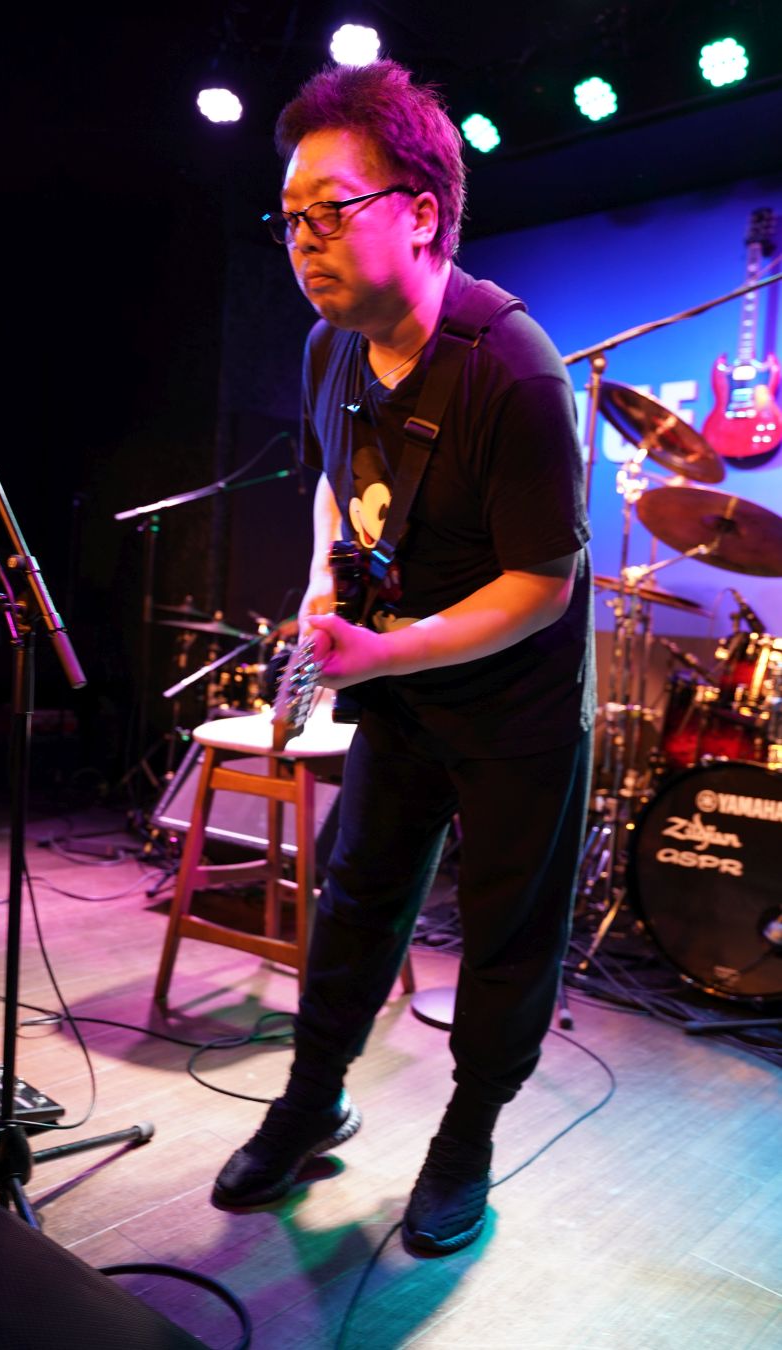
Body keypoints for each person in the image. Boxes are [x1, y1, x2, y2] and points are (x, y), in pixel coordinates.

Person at [212, 60, 595, 1257]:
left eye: (330, 212)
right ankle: (311, 1100)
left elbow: (544, 585)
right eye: (289, 217)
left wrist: (390, 652)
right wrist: (326, 593)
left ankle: (466, 1138)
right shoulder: (328, 349)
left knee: (505, 937)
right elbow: (341, 489)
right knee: (357, 901)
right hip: (401, 683)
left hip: (518, 703)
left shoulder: (513, 371)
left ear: (421, 213)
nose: (301, 241)